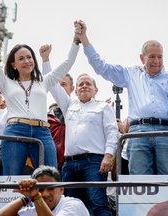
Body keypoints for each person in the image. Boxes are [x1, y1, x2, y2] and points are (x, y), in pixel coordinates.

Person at [0, 7, 81, 175]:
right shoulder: (6, 83)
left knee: (50, 176)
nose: (27, 61)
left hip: (42, 132)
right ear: (13, 64)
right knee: (12, 179)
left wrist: (77, 39)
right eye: (21, 58)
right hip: (15, 130)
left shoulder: (44, 81)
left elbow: (67, 63)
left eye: (29, 57)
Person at [75, 20, 168, 175]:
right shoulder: (131, 74)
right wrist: (84, 38)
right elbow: (101, 67)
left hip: (166, 131)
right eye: (152, 56)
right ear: (142, 58)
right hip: (138, 132)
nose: (156, 61)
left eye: (160, 57)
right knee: (139, 182)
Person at [45, 61, 118, 215]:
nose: (84, 86)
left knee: (98, 203)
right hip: (69, 164)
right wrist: (46, 60)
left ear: (96, 90)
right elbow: (52, 84)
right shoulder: (68, 105)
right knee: (71, 205)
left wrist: (108, 156)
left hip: (94, 162)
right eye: (80, 84)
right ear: (75, 91)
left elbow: (112, 132)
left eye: (88, 84)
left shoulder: (104, 107)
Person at [0, 165, 89, 216]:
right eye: (41, 189)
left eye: (51, 188)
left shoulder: (73, 204)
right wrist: (27, 198)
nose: (45, 194)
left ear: (61, 190)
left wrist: (36, 196)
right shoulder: (34, 208)